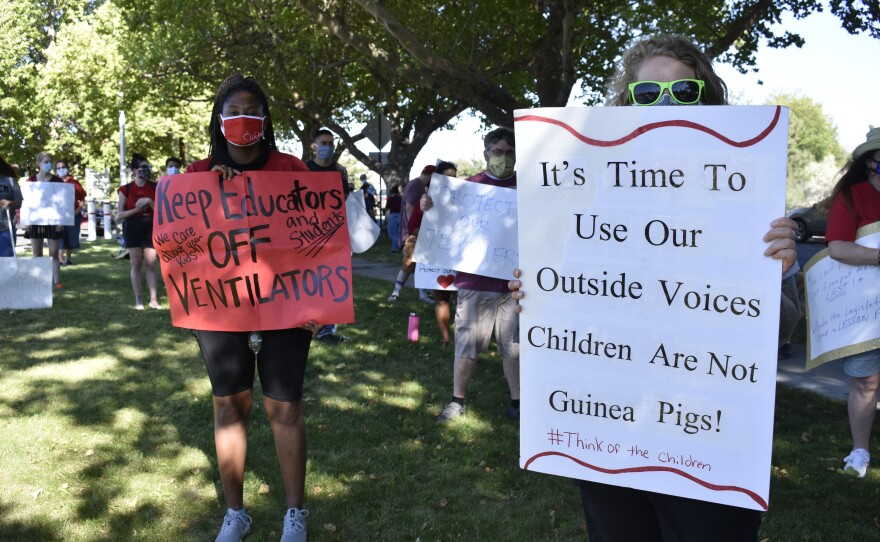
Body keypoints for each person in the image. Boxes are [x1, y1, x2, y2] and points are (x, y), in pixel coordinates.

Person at [509, 34, 801, 541]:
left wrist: (770, 276)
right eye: (647, 94)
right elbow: (569, 308)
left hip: (709, 433)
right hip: (607, 421)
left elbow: (784, 330)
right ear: (626, 106)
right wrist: (539, 294)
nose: (665, 104)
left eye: (684, 91)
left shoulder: (750, 198)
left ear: (708, 100)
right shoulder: (590, 195)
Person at [186, 73, 317, 542]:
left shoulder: (292, 170)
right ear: (219, 122)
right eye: (234, 112)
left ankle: (295, 514)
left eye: (252, 112)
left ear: (265, 120)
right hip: (220, 310)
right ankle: (235, 512)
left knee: (285, 408)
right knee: (229, 407)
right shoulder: (196, 178)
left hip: (287, 306)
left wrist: (320, 302)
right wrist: (216, 196)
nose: (243, 120)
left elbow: (317, 242)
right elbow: (180, 248)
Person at [422, 131, 520, 423]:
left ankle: (517, 403)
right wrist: (428, 205)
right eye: (497, 151)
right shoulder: (468, 187)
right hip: (475, 282)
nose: (503, 157)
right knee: (467, 344)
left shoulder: (528, 187)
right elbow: (439, 219)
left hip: (515, 284)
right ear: (486, 153)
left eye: (509, 151)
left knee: (514, 347)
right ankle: (457, 401)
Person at [825, 127, 880, 478]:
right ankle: (860, 451)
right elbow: (837, 247)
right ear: (869, 163)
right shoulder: (852, 196)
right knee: (866, 382)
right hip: (865, 310)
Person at [406, 161, 459, 348]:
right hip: (436, 256)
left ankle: (463, 339)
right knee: (441, 300)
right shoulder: (426, 200)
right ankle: (445, 339)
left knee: (461, 300)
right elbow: (413, 228)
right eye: (446, 178)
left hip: (459, 256)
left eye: (454, 178)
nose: (450, 182)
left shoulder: (465, 199)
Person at [305, 129, 349, 345]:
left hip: (332, 233)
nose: (328, 146)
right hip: (306, 232)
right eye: (323, 142)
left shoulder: (340, 171)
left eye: (331, 143)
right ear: (314, 145)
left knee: (331, 281)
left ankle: (326, 330)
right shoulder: (302, 169)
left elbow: (344, 199)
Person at [117, 153, 160, 310]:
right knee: (136, 263)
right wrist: (136, 209)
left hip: (150, 226)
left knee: (151, 263)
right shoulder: (125, 189)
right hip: (133, 227)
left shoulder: (155, 187)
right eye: (143, 167)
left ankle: (153, 300)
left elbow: (161, 211)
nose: (146, 170)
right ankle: (138, 299)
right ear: (134, 170)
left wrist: (149, 201)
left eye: (148, 167)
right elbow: (119, 214)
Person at [388, 164, 436, 303]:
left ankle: (423, 294)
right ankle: (395, 293)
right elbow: (410, 208)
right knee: (408, 264)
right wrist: (414, 231)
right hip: (414, 234)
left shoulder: (415, 184)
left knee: (420, 265)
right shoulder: (417, 186)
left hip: (417, 232)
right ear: (430, 175)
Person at [24, 151, 65, 288]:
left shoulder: (57, 181)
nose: (49, 164)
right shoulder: (31, 181)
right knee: (37, 252)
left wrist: (61, 221)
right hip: (35, 221)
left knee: (54, 252)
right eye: (46, 162)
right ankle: (38, 281)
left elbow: (62, 202)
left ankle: (56, 281)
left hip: (53, 221)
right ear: (38, 164)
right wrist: (27, 220)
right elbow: (26, 203)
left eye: (50, 162)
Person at [55, 159, 87, 265]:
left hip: (74, 214)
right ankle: (60, 260)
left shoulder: (74, 182)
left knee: (71, 237)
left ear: (67, 168)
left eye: (63, 167)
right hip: (58, 215)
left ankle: (68, 259)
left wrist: (78, 210)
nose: (61, 170)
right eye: (58, 168)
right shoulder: (54, 182)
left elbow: (82, 198)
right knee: (60, 237)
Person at [0, 155, 22, 257]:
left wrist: (10, 202)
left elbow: (19, 203)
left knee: (6, 260)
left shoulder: (10, 180)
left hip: (6, 227)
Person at [384, 185, 402, 252]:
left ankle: (399, 245)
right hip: (400, 216)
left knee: (391, 233)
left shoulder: (390, 199)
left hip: (393, 215)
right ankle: (394, 249)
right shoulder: (401, 198)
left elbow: (387, 207)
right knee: (397, 233)